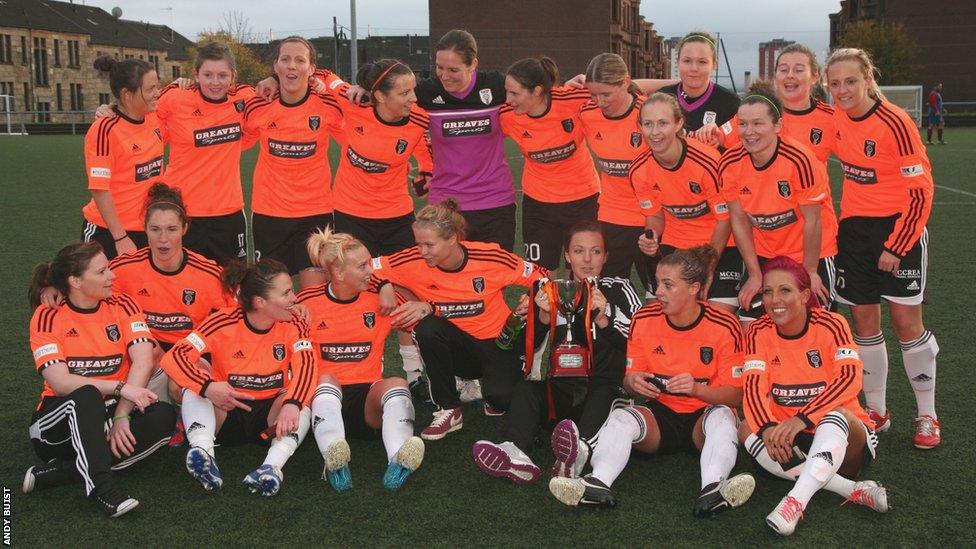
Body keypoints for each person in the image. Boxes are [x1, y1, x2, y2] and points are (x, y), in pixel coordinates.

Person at [548, 246, 754, 518]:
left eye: (668, 285)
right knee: (622, 417)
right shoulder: (644, 319)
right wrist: (633, 382)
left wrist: (697, 389)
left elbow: (736, 396)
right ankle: (597, 483)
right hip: (660, 416)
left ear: (694, 289)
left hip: (702, 417)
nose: (658, 292)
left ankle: (713, 488)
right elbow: (630, 379)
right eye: (657, 283)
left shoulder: (725, 325)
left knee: (723, 418)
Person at [825, 48, 940, 448]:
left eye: (850, 81)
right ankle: (876, 409)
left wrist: (898, 244)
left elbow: (922, 191)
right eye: (835, 83)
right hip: (854, 232)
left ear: (868, 78)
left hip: (898, 232)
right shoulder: (834, 116)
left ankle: (927, 415)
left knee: (907, 325)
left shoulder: (896, 122)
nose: (842, 90)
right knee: (865, 324)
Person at [471, 221, 640, 484]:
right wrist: (540, 317)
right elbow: (520, 349)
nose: (586, 259)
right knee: (527, 391)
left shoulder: (620, 289)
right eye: (578, 251)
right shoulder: (549, 290)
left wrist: (605, 317)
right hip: (561, 389)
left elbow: (640, 344)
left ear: (606, 256)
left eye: (595, 252)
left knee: (603, 394)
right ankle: (516, 453)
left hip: (606, 388)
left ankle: (578, 453)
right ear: (567, 255)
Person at [371, 200, 546, 440]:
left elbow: (541, 277)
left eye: (429, 245)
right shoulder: (412, 260)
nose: (422, 252)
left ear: (452, 238)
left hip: (497, 344)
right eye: (419, 244)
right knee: (428, 328)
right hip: (456, 348)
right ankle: (449, 409)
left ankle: (495, 388)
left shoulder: (490, 256)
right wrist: (383, 285)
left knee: (501, 400)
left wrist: (531, 296)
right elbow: (363, 270)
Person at [739, 257, 889, 536]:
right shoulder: (758, 331)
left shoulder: (832, 324)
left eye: (785, 290)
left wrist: (802, 417)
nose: (774, 300)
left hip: (846, 437)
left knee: (835, 415)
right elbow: (752, 387)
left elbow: (849, 379)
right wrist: (769, 427)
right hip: (791, 435)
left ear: (805, 295)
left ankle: (795, 501)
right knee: (747, 426)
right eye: (768, 292)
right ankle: (851, 490)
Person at [25, 242, 176, 517]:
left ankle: (64, 472)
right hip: (55, 428)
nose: (112, 276)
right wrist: (121, 388)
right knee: (86, 394)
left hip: (107, 414)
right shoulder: (47, 316)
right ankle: (102, 488)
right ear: (76, 281)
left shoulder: (123, 305)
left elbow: (144, 359)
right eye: (102, 271)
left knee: (163, 416)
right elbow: (60, 383)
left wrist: (122, 416)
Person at [159, 259, 317, 496]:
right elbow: (174, 357)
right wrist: (208, 387)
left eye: (292, 290)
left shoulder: (295, 323)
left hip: (270, 420)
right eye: (286, 293)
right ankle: (204, 453)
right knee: (196, 382)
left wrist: (293, 404)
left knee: (302, 401)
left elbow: (306, 365)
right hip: (227, 411)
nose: (294, 298)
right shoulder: (223, 321)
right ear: (260, 302)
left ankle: (271, 467)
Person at [299, 228, 425, 492]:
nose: (372, 270)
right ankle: (335, 463)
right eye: (362, 266)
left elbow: (420, 317)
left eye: (370, 262)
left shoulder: (379, 299)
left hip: (368, 404)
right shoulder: (306, 303)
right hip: (322, 402)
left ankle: (398, 459)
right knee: (325, 379)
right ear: (339, 273)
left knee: (397, 384)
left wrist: (394, 290)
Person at [719, 81, 838, 319]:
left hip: (808, 253)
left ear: (778, 126)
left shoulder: (800, 160)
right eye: (742, 124)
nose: (749, 131)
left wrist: (810, 272)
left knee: (811, 327)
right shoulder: (729, 163)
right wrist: (754, 274)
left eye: (758, 123)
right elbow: (739, 221)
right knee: (749, 326)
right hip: (765, 254)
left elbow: (812, 221)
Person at [108, 183, 233, 401]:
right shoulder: (122, 269)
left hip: (187, 353)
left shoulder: (210, 273)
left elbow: (239, 314)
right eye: (155, 229)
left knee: (183, 381)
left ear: (184, 228)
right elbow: (84, 284)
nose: (163, 239)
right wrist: (49, 284)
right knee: (145, 352)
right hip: (143, 355)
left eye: (171, 229)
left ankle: (185, 424)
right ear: (144, 228)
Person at [242, 36, 343, 288]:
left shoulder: (328, 105)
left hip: (315, 213)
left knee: (315, 296)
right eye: (285, 59)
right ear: (275, 66)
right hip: (269, 214)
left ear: (311, 69)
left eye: (300, 60)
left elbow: (356, 136)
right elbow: (237, 140)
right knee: (274, 295)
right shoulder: (258, 105)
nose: (292, 66)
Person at [629, 93, 739, 311]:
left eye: (663, 123)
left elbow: (724, 220)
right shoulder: (639, 169)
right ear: (640, 127)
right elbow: (654, 216)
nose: (655, 132)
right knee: (660, 314)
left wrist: (708, 267)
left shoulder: (708, 161)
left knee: (715, 317)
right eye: (648, 124)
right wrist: (651, 238)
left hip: (720, 245)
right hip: (676, 243)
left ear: (678, 123)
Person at [150, 41, 255, 263]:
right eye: (208, 75)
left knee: (232, 284)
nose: (215, 82)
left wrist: (272, 80)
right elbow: (139, 110)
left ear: (233, 76)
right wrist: (110, 109)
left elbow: (273, 95)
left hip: (228, 212)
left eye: (222, 75)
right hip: (183, 211)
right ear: (196, 75)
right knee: (183, 286)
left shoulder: (244, 99)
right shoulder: (176, 98)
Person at [499, 57, 599, 270]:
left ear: (536, 91)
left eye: (515, 93)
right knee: (541, 274)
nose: (508, 99)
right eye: (506, 92)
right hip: (538, 205)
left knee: (583, 271)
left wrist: (680, 85)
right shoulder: (507, 116)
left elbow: (618, 90)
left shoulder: (574, 99)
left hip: (583, 199)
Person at [331, 59, 433, 257]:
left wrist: (426, 171)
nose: (413, 98)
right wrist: (274, 80)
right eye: (404, 93)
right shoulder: (353, 102)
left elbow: (422, 146)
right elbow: (324, 76)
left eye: (413, 89)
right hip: (350, 214)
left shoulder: (419, 118)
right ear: (380, 96)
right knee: (358, 281)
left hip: (397, 216)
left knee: (404, 281)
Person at [577, 53, 649, 288]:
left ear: (625, 82)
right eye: (593, 94)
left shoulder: (649, 114)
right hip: (611, 216)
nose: (600, 102)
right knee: (607, 291)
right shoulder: (587, 113)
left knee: (658, 293)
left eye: (606, 94)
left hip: (652, 217)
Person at [702, 43, 838, 166]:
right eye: (783, 70)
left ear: (814, 77)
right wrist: (711, 132)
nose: (790, 75)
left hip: (810, 193)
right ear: (776, 75)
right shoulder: (757, 110)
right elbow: (719, 138)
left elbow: (856, 156)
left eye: (799, 70)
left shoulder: (832, 117)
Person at [82, 57, 164, 259]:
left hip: (147, 228)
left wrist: (184, 82)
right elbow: (100, 189)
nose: (157, 94)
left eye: (157, 87)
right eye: (150, 89)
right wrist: (120, 237)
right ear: (127, 95)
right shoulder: (104, 129)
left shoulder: (155, 117)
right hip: (109, 232)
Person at [660, 32, 740, 137]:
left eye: (702, 62)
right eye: (687, 61)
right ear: (677, 62)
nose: (694, 68)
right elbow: (632, 85)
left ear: (714, 65)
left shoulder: (730, 103)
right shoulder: (662, 98)